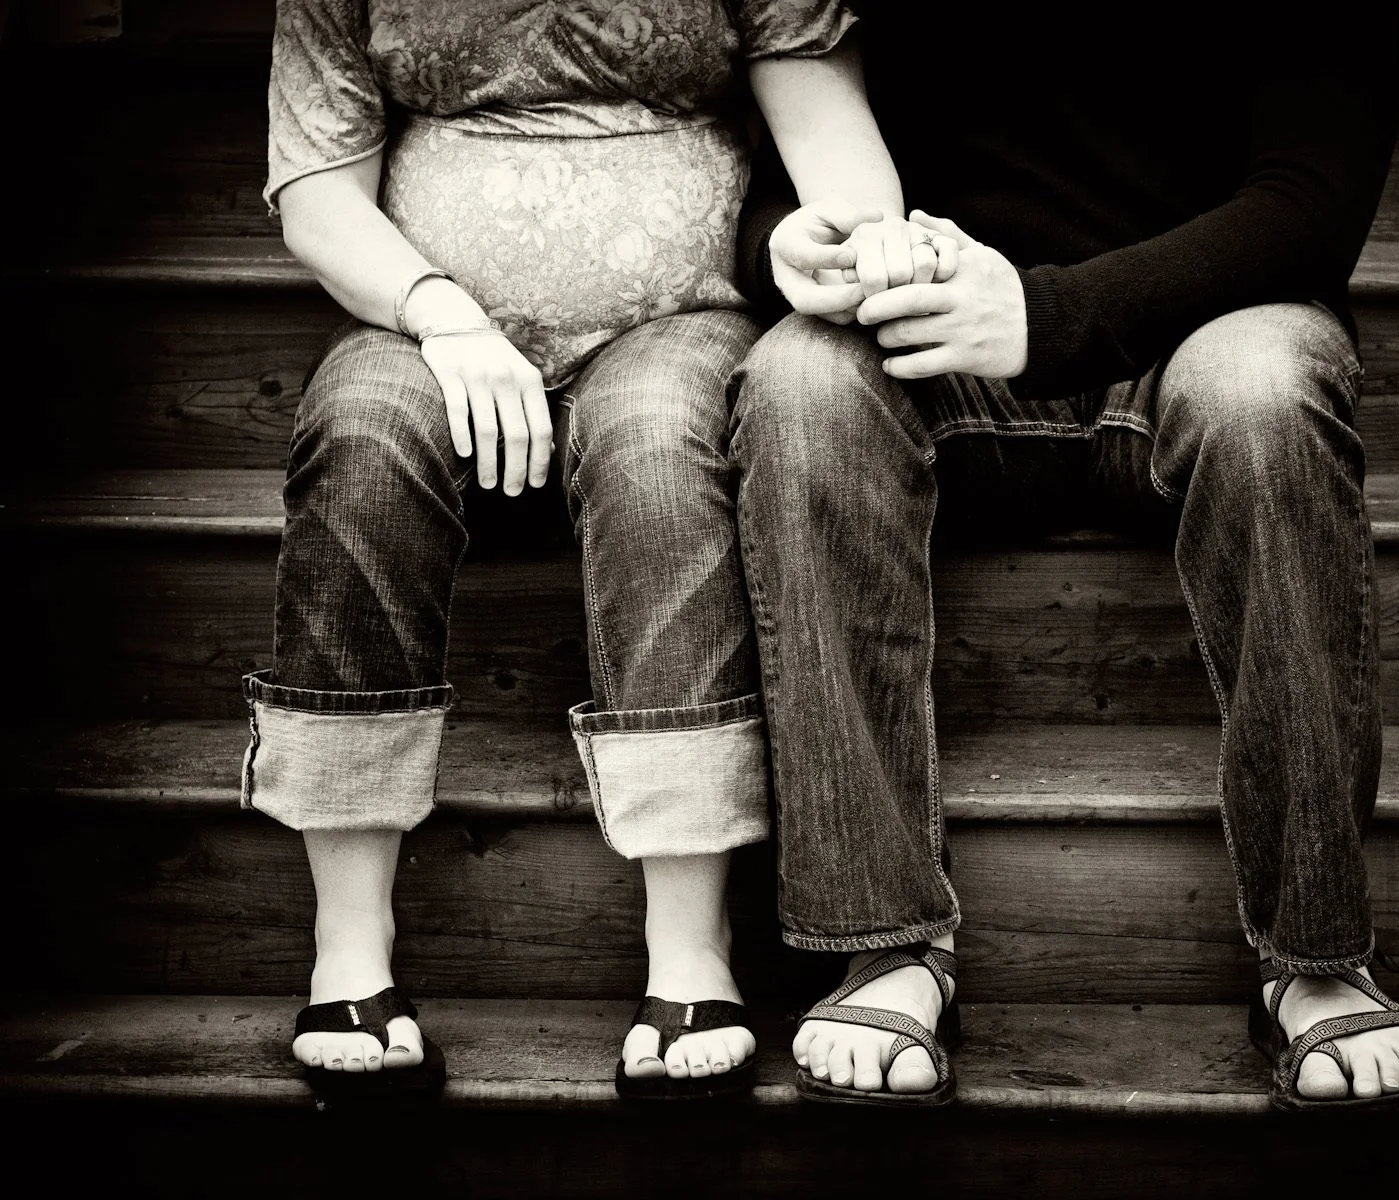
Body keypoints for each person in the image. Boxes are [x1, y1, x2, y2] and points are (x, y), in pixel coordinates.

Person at [731, 0, 1399, 1109]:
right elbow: (791, 124)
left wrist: (1056, 315)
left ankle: (1317, 957)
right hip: (934, 335)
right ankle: (885, 942)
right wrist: (783, 241)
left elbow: (1311, 205)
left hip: (1204, 327)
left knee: (1267, 397)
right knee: (798, 386)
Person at [247, 0, 947, 1100]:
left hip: (675, 317)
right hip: (421, 323)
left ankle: (690, 950)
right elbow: (321, 194)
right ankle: (349, 948)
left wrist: (855, 237)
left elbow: (827, 133)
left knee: (661, 451)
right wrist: (443, 315)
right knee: (361, 441)